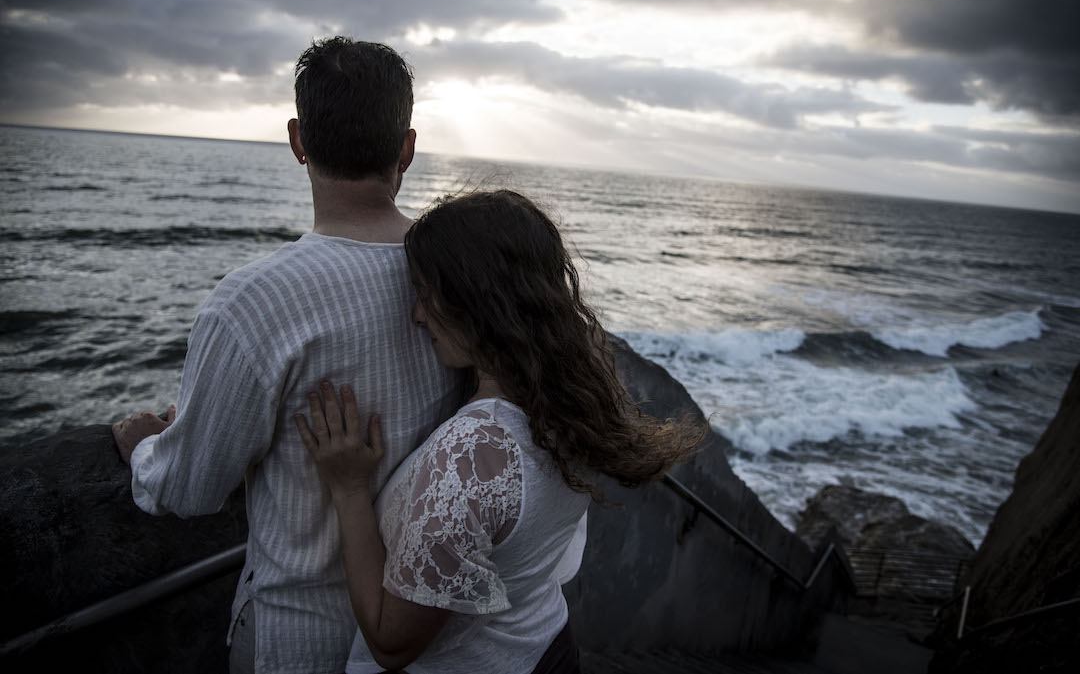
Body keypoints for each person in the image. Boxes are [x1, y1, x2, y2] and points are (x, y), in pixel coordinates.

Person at [111, 38, 464, 674]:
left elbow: (191, 489)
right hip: (426, 632)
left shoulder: (254, 302)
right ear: (407, 148)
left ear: (298, 141)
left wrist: (143, 449)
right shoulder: (457, 276)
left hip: (296, 638)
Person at [295, 190, 703, 673]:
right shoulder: (573, 398)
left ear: (475, 300)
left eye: (426, 295)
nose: (416, 316)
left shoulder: (473, 453)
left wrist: (350, 489)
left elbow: (390, 642)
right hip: (545, 646)